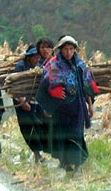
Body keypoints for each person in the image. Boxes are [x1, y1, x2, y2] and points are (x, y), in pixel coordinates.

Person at [36, 35, 100, 173]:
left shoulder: (81, 65)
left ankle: (77, 165)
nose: (69, 52)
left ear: (75, 50)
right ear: (60, 49)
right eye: (66, 49)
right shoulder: (54, 64)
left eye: (71, 49)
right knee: (63, 136)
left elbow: (87, 87)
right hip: (61, 109)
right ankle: (67, 163)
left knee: (77, 135)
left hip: (78, 108)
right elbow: (45, 85)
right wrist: (50, 103)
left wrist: (90, 105)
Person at [13, 45, 45, 163]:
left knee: (38, 124)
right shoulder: (21, 66)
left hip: (35, 100)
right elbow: (15, 86)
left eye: (38, 57)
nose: (37, 59)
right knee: (27, 127)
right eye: (35, 57)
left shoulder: (39, 65)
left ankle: (40, 151)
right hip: (21, 101)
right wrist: (22, 101)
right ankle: (37, 154)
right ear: (29, 57)